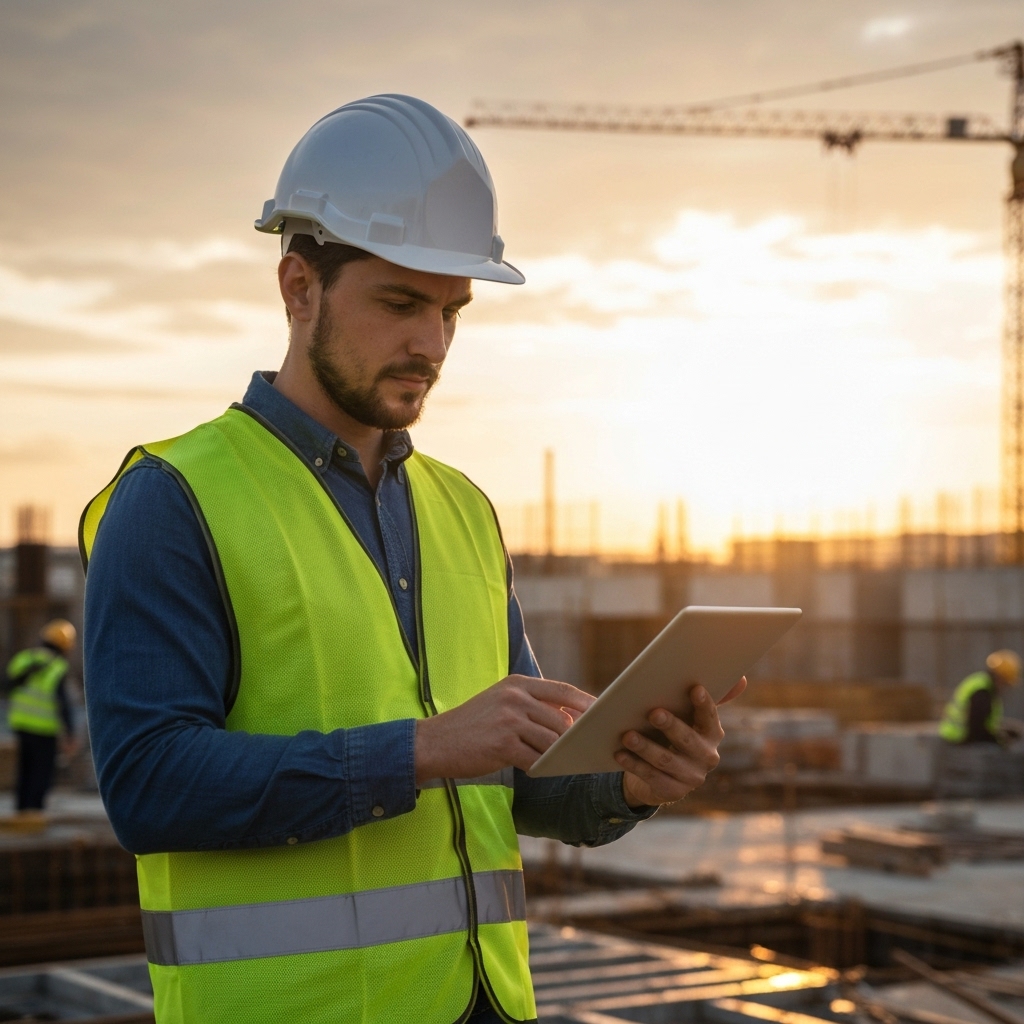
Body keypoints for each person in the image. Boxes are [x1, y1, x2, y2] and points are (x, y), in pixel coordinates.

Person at [81, 95, 744, 1024]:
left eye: (450, 311)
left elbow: (510, 775)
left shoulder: (462, 509)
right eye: (399, 303)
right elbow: (151, 786)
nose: (431, 345)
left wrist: (627, 780)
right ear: (298, 287)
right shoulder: (173, 500)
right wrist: (423, 750)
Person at [5, 618, 79, 813]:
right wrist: (70, 732)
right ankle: (35, 811)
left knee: (25, 769)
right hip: (44, 728)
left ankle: (21, 810)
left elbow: (7, 686)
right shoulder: (57, 667)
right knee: (42, 772)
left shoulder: (24, 658)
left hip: (21, 724)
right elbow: (62, 702)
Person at [939, 649, 1023, 745]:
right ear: (999, 677)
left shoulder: (982, 684)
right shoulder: (982, 694)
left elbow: (983, 723)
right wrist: (999, 739)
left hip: (959, 737)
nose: (1006, 688)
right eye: (1006, 683)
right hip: (961, 740)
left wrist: (1002, 731)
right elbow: (977, 729)